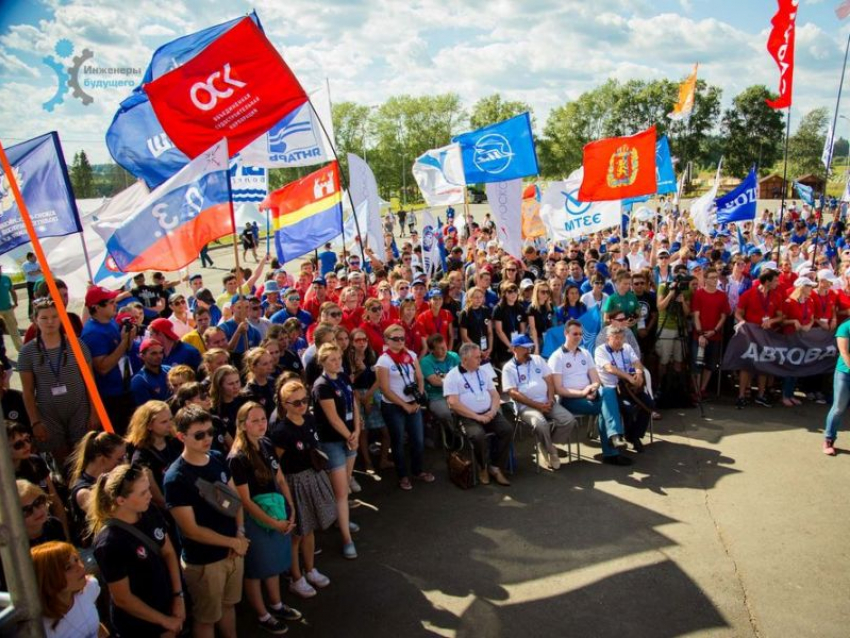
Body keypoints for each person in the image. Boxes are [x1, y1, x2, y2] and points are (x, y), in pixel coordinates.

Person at [164, 405, 249, 638]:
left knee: (228, 605)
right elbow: (191, 530)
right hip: (205, 562)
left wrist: (239, 534)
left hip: (233, 551)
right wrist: (232, 542)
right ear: (181, 437)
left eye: (210, 432)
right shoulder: (176, 478)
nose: (207, 439)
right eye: (199, 435)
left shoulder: (218, 458)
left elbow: (236, 500)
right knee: (206, 619)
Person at [228, 402, 302, 634]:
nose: (261, 424)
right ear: (242, 425)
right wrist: (274, 523)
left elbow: (279, 479)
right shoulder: (237, 458)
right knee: (256, 570)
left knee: (272, 567)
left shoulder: (267, 443)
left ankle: (277, 604)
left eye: (262, 419)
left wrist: (291, 508)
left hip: (278, 513)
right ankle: (262, 615)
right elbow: (246, 502)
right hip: (256, 521)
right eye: (254, 420)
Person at [89, 463, 186, 638]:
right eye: (142, 493)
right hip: (141, 626)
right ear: (121, 500)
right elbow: (123, 598)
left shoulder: (149, 512)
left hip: (168, 607)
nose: (150, 495)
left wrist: (178, 597)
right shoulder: (110, 543)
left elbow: (169, 553)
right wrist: (164, 621)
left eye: (148, 488)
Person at [268, 380, 335, 599]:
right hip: (294, 483)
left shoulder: (310, 419)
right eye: (296, 402)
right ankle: (296, 578)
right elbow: (275, 465)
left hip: (313, 477)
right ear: (284, 404)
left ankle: (310, 569)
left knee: (310, 529)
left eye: (305, 400)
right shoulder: (281, 432)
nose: (302, 405)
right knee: (297, 533)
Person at [19, 297, 94, 463]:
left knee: (83, 455)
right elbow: (28, 391)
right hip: (48, 413)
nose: (50, 322)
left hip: (79, 408)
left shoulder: (76, 345)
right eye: (44, 318)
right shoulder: (28, 352)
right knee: (61, 458)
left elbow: (90, 382)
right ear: (35, 320)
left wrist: (94, 413)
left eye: (54, 316)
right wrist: (35, 422)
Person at [312, 343, 360, 559]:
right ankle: (346, 538)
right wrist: (349, 436)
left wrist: (357, 430)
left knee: (345, 485)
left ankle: (340, 518)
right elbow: (332, 418)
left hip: (350, 438)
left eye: (338, 358)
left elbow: (354, 404)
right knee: (341, 492)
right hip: (334, 442)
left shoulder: (343, 377)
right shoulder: (321, 385)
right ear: (322, 362)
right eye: (331, 359)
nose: (337, 362)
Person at [502, 335, 576, 471]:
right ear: (515, 349)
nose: (528, 350)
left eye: (530, 347)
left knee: (569, 420)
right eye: (525, 348)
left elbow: (549, 380)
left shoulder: (537, 359)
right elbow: (513, 393)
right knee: (540, 424)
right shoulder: (508, 368)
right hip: (526, 407)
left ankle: (546, 444)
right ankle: (552, 452)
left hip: (546, 402)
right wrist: (537, 406)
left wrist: (549, 398)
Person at [443, 343, 513, 486]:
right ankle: (483, 467)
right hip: (468, 417)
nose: (480, 360)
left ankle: (496, 467)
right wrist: (477, 417)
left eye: (479, 357)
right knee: (478, 436)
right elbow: (454, 403)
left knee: (507, 429)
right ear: (464, 359)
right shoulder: (452, 376)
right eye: (476, 358)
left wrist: (492, 411)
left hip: (488, 412)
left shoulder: (483, 372)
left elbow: (494, 394)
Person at [376, 324, 435, 490]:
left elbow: (420, 378)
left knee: (418, 439)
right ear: (387, 340)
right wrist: (404, 406)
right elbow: (385, 389)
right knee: (398, 441)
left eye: (402, 338)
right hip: (393, 406)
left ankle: (417, 470)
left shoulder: (411, 354)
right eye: (395, 338)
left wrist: (418, 399)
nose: (400, 341)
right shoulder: (384, 360)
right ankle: (402, 475)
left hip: (412, 404)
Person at [81, 285, 137, 434]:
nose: (116, 304)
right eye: (111, 302)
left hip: (124, 387)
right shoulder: (92, 333)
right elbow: (103, 367)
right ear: (97, 308)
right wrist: (125, 342)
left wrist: (128, 338)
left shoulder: (110, 322)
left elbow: (122, 350)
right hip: (111, 396)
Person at [595, 325, 652, 455]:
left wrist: (639, 373)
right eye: (615, 338)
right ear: (608, 338)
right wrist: (628, 377)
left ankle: (634, 435)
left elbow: (637, 361)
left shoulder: (626, 347)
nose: (619, 341)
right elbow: (609, 368)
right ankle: (631, 437)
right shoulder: (600, 350)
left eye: (621, 338)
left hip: (628, 388)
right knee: (627, 408)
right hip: (611, 388)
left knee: (649, 404)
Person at [32, 541, 104, 638]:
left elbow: (97, 627)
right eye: (68, 567)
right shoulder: (38, 626)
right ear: (48, 578)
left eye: (76, 560)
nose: (79, 567)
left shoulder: (89, 587)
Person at [734, 267, 783, 408]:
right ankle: (741, 395)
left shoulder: (776, 296)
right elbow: (738, 313)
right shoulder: (749, 294)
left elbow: (780, 316)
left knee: (764, 365)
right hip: (751, 335)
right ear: (767, 281)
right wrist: (743, 323)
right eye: (775, 280)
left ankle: (761, 395)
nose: (777, 283)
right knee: (747, 365)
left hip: (767, 335)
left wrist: (771, 321)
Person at [9, 422, 70, 536]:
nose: (27, 446)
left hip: (47, 525)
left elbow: (55, 501)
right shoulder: (4, 478)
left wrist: (66, 537)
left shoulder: (35, 462)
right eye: (18, 445)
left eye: (27, 439)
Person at [68, 431, 127, 543]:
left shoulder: (111, 477)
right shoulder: (83, 492)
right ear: (101, 457)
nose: (124, 464)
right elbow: (112, 518)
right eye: (119, 459)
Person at [781, 277, 816, 407]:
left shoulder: (810, 301)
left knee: (798, 366)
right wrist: (793, 322)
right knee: (791, 365)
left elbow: (812, 317)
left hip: (803, 338)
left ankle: (790, 394)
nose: (811, 289)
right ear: (802, 287)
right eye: (808, 286)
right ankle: (785, 394)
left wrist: (809, 325)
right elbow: (782, 320)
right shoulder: (789, 302)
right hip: (790, 337)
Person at [18, 479, 67, 547]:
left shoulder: (55, 525)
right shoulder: (15, 544)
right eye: (26, 510)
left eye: (38, 502)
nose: (37, 512)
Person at [491, 282, 527, 368]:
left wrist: (517, 344)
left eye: (515, 291)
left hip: (517, 346)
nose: (513, 294)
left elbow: (523, 329)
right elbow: (499, 331)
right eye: (510, 292)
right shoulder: (498, 309)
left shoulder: (520, 308)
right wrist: (510, 346)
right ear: (504, 294)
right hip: (503, 347)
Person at [131, 338, 172, 406]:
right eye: (154, 353)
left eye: (161, 352)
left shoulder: (170, 370)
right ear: (142, 356)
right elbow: (149, 410)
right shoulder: (139, 380)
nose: (159, 356)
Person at [210, 365, 247, 439]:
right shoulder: (214, 409)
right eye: (231, 384)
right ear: (219, 385)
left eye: (237, 382)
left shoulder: (246, 399)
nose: (236, 386)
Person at [459, 287, 493, 362]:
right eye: (476, 297)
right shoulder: (465, 313)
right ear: (470, 298)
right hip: (471, 351)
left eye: (481, 297)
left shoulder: (485, 310)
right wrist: (478, 351)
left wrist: (490, 348)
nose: (479, 299)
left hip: (486, 351)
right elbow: (464, 336)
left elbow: (490, 332)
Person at [240, 347, 276, 418]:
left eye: (270, 362)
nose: (269, 367)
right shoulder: (248, 393)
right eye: (265, 364)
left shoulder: (274, 383)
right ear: (253, 367)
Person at [527, 281, 555, 353]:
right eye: (543, 292)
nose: (545, 294)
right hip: (537, 338)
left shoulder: (550, 306)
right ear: (537, 293)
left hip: (548, 337)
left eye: (547, 292)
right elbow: (533, 329)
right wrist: (536, 346)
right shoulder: (532, 308)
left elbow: (552, 323)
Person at [0, 263, 22, 351]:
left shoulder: (6, 279)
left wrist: (15, 302)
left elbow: (12, 291)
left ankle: (20, 349)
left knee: (14, 330)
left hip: (8, 308)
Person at [22, 252, 42, 317]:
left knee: (41, 297)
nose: (36, 258)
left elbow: (41, 271)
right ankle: (31, 314)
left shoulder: (37, 264)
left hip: (39, 282)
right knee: (32, 299)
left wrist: (38, 271)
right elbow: (31, 273)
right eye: (34, 257)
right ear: (29, 258)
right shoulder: (25, 265)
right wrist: (39, 271)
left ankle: (40, 312)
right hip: (31, 283)